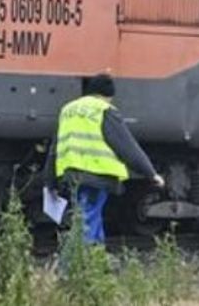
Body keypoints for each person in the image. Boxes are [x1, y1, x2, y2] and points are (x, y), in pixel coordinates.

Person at [44, 73, 165, 244]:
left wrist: (50, 182)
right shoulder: (104, 110)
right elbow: (127, 147)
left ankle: (98, 263)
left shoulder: (67, 110)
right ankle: (72, 266)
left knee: (93, 219)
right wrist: (151, 174)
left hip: (71, 176)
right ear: (106, 95)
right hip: (96, 177)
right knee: (86, 223)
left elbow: (54, 150)